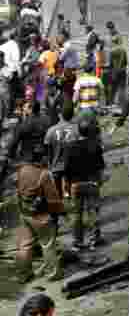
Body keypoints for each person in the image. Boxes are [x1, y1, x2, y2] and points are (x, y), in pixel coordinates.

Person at [14, 145, 64, 283]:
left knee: (24, 244)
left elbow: (17, 190)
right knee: (47, 244)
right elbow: (53, 198)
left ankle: (22, 274)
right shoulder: (44, 174)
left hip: (24, 213)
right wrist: (60, 211)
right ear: (42, 158)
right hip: (40, 216)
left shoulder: (21, 170)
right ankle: (52, 274)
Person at [65, 115, 106, 251]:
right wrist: (99, 181)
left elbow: (67, 170)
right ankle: (94, 239)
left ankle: (78, 241)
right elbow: (100, 167)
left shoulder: (70, 147)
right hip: (92, 183)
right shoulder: (95, 146)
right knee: (93, 212)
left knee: (77, 214)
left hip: (76, 185)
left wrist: (67, 186)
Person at [44, 101, 78, 198]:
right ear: (73, 115)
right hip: (72, 164)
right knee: (72, 185)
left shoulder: (50, 131)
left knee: (57, 190)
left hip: (56, 165)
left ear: (60, 115)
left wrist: (49, 164)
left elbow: (48, 149)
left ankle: (60, 205)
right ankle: (70, 196)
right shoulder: (76, 129)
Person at [108, 35, 128, 108]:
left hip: (114, 71)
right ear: (118, 41)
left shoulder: (112, 51)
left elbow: (110, 63)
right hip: (122, 70)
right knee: (122, 88)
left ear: (113, 42)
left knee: (113, 88)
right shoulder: (123, 50)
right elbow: (125, 61)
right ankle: (121, 103)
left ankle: (111, 103)